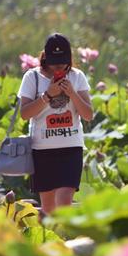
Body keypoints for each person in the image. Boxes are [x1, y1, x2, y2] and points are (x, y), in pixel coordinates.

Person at [18, 33, 94, 215]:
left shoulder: (77, 76)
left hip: (71, 148)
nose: (59, 66)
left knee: (64, 199)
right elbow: (25, 114)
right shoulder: (32, 77)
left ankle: (65, 240)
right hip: (43, 150)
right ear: (45, 58)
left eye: (63, 62)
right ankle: (50, 240)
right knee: (49, 207)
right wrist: (47, 95)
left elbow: (88, 115)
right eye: (54, 61)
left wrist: (73, 94)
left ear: (70, 59)